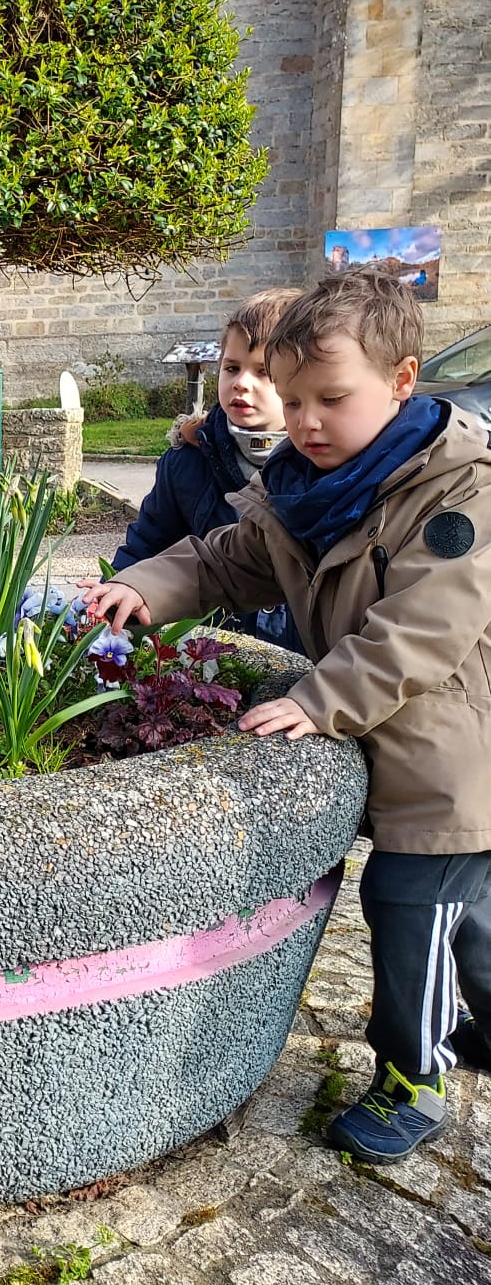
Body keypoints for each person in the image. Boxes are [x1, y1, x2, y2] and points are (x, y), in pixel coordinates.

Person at [84, 272, 491, 1162]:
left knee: (412, 910)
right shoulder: (307, 488)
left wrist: (315, 698)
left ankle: (414, 1077)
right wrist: (143, 586)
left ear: (403, 380)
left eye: (331, 399)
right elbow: (226, 560)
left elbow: (420, 633)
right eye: (294, 398)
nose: (306, 421)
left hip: (452, 755)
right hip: (388, 736)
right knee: (471, 913)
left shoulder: (457, 494)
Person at [114, 290, 302, 650]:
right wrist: (119, 594)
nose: (241, 383)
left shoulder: (318, 463)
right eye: (232, 368)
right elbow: (149, 545)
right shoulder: (188, 460)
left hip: (305, 654)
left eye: (264, 372)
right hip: (210, 649)